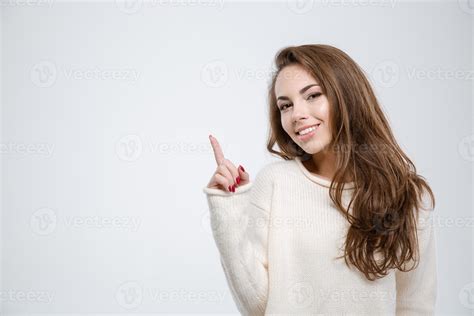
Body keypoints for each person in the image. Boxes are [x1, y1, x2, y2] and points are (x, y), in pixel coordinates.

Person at [202, 44, 437, 315]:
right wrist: (227, 208)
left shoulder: (407, 195)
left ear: (347, 97)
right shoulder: (276, 182)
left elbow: (414, 305)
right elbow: (257, 307)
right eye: (285, 105)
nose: (297, 115)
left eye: (312, 95)